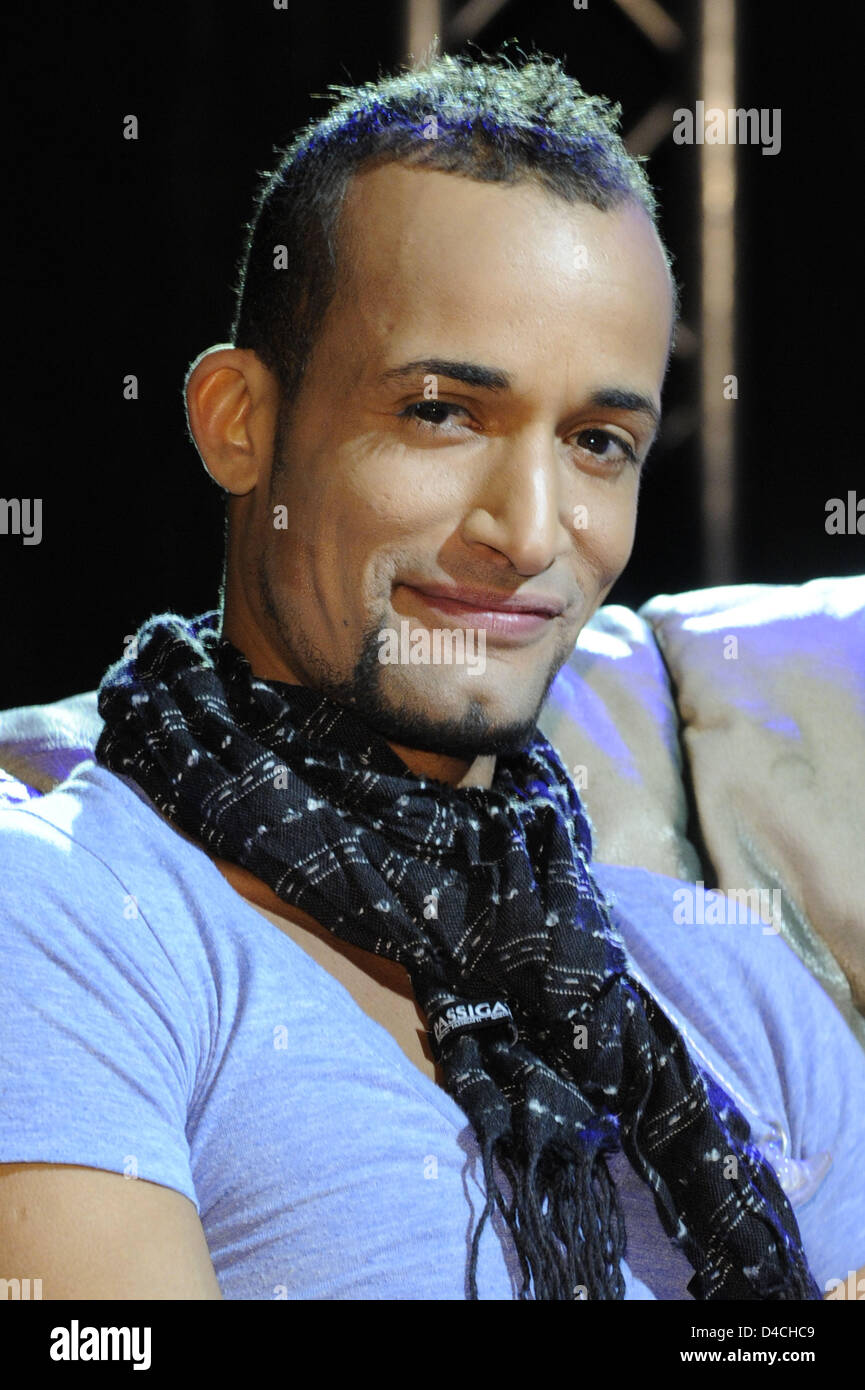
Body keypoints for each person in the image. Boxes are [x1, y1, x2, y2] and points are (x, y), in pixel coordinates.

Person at [1, 49, 863, 1302]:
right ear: (238, 420)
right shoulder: (68, 917)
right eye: (442, 412)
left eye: (597, 442)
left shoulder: (728, 983)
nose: (526, 529)